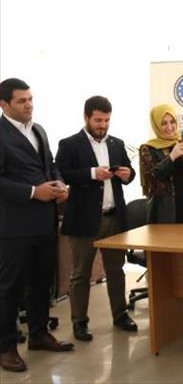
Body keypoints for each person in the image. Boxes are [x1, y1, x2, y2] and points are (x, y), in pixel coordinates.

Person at [0, 78, 74, 373]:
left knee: (42, 282)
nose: (29, 105)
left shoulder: (39, 130)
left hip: (45, 222)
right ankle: (6, 348)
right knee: (10, 289)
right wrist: (33, 192)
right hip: (14, 227)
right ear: (4, 104)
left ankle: (39, 334)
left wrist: (59, 183)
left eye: (30, 99)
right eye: (21, 101)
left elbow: (50, 165)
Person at [55, 96, 139, 341]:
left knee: (116, 270)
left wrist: (128, 174)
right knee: (81, 274)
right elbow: (61, 173)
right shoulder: (70, 144)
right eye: (98, 120)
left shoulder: (117, 143)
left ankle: (120, 315)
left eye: (107, 120)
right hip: (83, 220)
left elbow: (129, 174)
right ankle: (79, 322)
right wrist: (92, 173)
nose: (103, 125)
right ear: (86, 117)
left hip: (114, 219)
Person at [139, 104, 183, 321]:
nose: (169, 127)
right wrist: (171, 157)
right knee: (168, 262)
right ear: (156, 125)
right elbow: (154, 177)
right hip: (165, 210)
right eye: (164, 123)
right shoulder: (148, 148)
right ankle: (169, 306)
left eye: (172, 122)